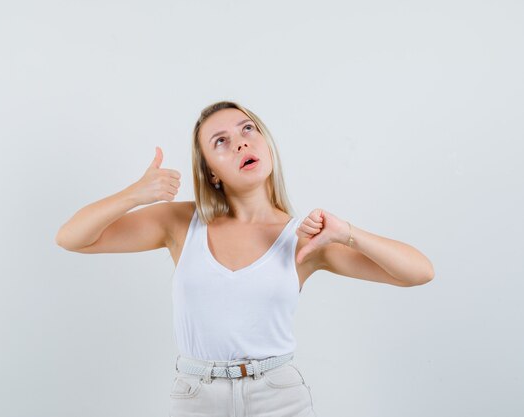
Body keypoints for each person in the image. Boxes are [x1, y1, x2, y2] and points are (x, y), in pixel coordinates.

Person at [55, 100, 435, 417]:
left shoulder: (303, 239)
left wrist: (348, 233)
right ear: (212, 173)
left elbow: (419, 272)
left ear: (266, 144)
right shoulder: (181, 223)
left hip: (279, 397)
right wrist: (135, 194)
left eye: (247, 129)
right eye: (221, 141)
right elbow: (72, 238)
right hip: (196, 397)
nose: (240, 144)